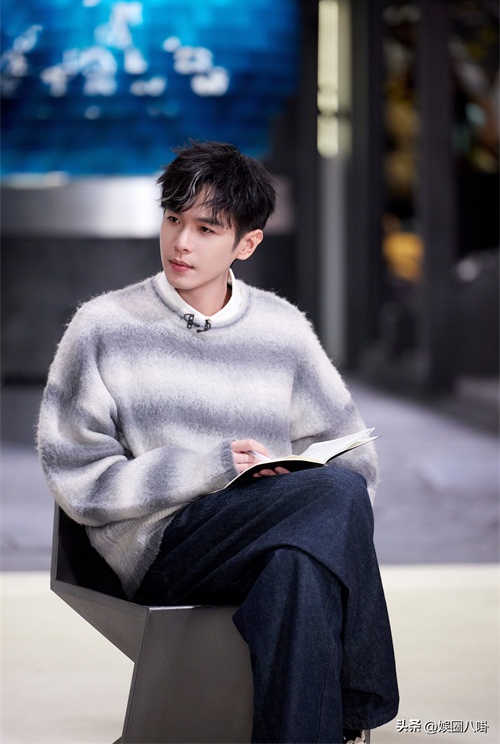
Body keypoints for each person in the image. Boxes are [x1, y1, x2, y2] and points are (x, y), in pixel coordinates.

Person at [37, 141, 399, 744]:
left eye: (206, 229)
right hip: (160, 550)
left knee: (298, 565)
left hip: (266, 537)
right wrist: (207, 468)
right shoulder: (103, 326)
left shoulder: (282, 328)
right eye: (173, 219)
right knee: (330, 498)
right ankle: (358, 704)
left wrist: (284, 484)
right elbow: (77, 476)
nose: (181, 242)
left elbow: (353, 459)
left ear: (246, 244)